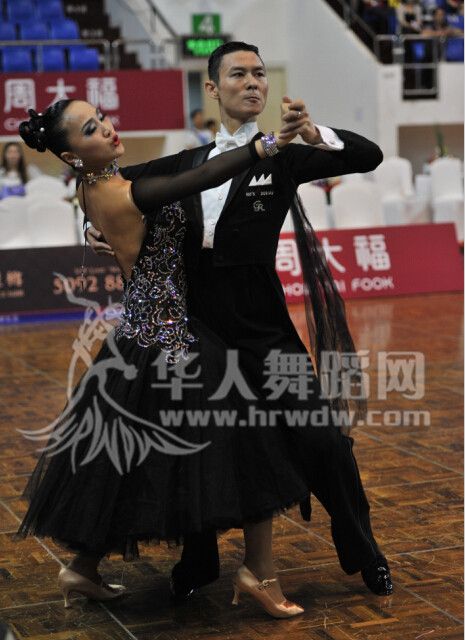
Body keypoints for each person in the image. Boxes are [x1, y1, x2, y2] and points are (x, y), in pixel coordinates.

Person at [86, 41, 393, 607]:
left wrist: (312, 133)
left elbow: (367, 156)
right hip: (195, 322)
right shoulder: (186, 162)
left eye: (259, 73)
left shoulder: (285, 157)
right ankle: (198, 560)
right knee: (197, 445)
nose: (253, 82)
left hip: (261, 323)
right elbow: (112, 188)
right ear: (212, 87)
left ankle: (362, 545)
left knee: (321, 437)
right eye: (238, 74)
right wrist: (95, 228)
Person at [14, 98, 308, 617]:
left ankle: (82, 568)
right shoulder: (127, 192)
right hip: (174, 342)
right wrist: (267, 146)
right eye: (91, 129)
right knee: (251, 444)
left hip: (140, 338)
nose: (108, 129)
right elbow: (201, 176)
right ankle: (259, 572)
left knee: (122, 463)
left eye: (102, 118)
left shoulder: (93, 188)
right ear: (72, 155)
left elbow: (157, 194)